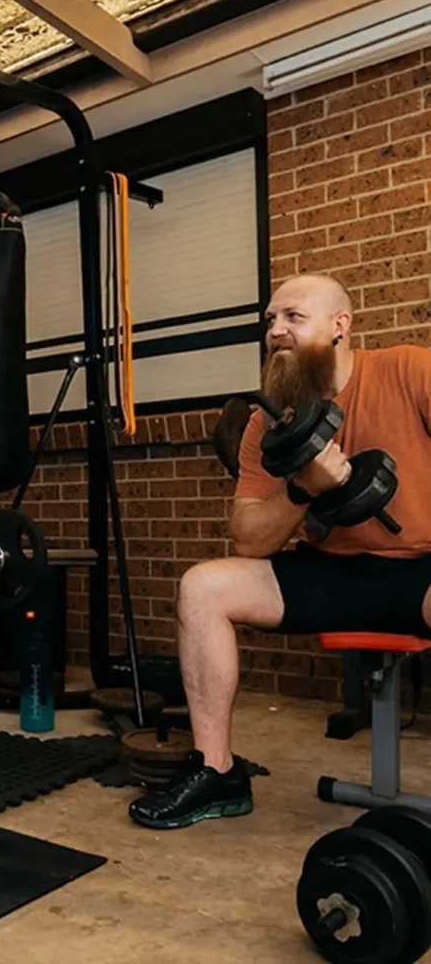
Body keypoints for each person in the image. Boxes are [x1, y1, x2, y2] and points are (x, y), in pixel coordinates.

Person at [129, 272, 431, 831]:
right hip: (333, 574)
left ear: (340, 326)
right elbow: (249, 537)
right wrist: (303, 488)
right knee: (204, 587)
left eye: (294, 317)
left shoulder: (410, 371)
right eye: (271, 321)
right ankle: (216, 771)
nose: (277, 331)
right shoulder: (267, 422)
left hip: (422, 569)